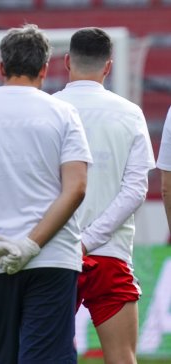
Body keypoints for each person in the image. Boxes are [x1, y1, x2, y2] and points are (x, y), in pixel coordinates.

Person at [0, 24, 93, 364]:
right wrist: (32, 244)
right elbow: (77, 187)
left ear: (1, 67)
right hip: (52, 258)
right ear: (44, 68)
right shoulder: (62, 112)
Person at [54, 27, 155, 364]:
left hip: (53, 252)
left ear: (67, 61)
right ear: (109, 66)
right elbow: (135, 191)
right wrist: (91, 239)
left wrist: (73, 241)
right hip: (109, 253)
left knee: (46, 356)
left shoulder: (48, 109)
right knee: (122, 357)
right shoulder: (130, 113)